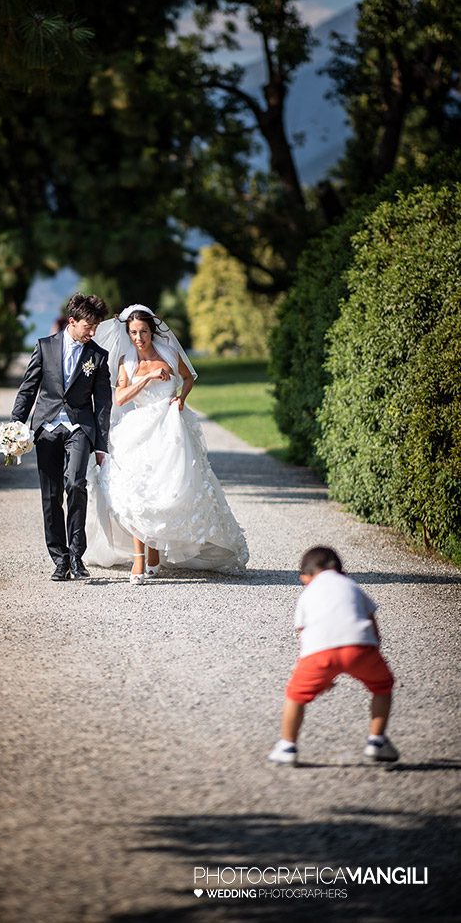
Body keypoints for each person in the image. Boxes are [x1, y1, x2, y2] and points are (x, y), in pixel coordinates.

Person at [85, 304, 249, 583]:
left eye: (143, 332)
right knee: (135, 493)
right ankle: (139, 558)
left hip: (170, 430)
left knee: (165, 492)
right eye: (133, 333)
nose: (138, 338)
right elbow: (121, 398)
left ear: (152, 331)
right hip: (138, 431)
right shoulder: (126, 361)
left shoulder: (170, 353)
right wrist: (148, 377)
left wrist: (181, 398)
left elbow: (188, 377)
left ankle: (154, 550)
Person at [11, 293, 112, 582]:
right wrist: (15, 425)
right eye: (88, 327)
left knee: (76, 484)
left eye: (96, 327)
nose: (92, 333)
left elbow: (103, 404)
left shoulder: (98, 356)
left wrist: (101, 445)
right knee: (51, 494)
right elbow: (28, 388)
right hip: (46, 428)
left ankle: (77, 556)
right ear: (72, 321)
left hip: (79, 428)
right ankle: (60, 558)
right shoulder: (44, 347)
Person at [268, 546, 398, 766]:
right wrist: (372, 652)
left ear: (304, 578)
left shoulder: (307, 594)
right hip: (360, 647)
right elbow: (373, 625)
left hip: (319, 653)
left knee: (295, 695)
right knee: (383, 687)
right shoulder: (353, 587)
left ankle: (287, 746)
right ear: (342, 573)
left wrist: (322, 675)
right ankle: (377, 741)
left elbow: (303, 633)